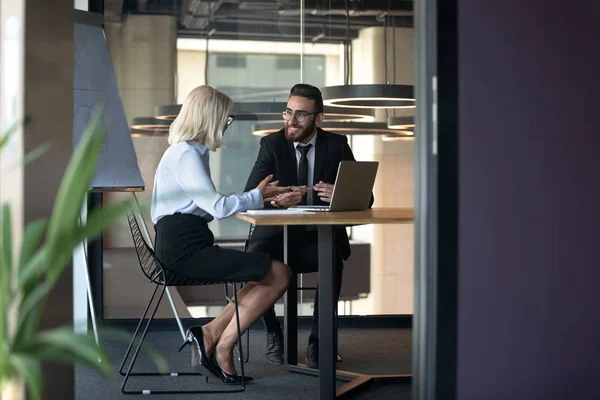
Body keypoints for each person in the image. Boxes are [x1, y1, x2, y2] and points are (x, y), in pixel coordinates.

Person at [151, 85, 292, 384]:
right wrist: (256, 195)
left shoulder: (189, 152)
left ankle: (211, 333)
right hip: (183, 250)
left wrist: (259, 197)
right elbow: (216, 207)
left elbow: (207, 202)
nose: (226, 126)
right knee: (279, 273)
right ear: (211, 118)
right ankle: (222, 345)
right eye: (226, 119)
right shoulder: (185, 154)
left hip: (183, 242)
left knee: (267, 273)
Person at [244, 83, 373, 369]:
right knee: (251, 263)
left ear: (319, 118)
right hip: (277, 237)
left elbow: (366, 197)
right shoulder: (271, 143)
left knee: (332, 262)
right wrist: (276, 200)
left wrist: (339, 192)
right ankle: (273, 332)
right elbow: (250, 194)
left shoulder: (337, 144)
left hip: (319, 237)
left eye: (301, 115)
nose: (291, 120)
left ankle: (319, 341)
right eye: (288, 112)